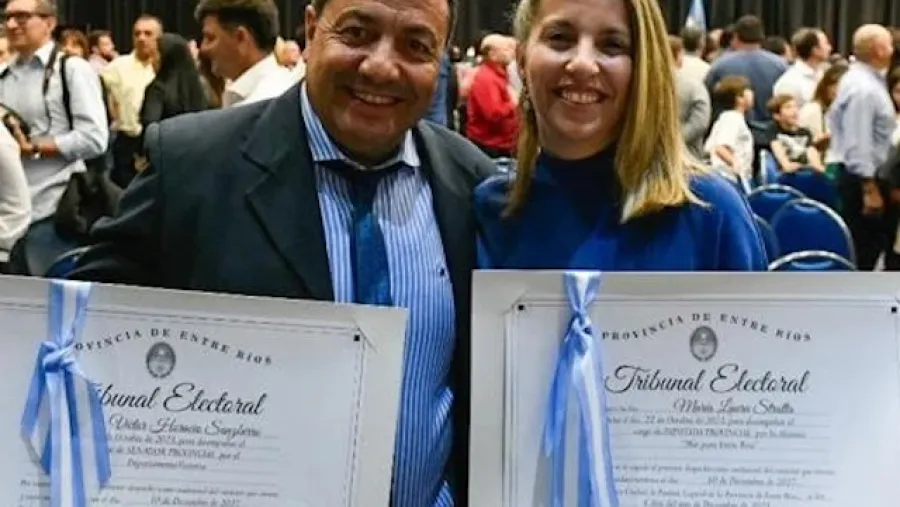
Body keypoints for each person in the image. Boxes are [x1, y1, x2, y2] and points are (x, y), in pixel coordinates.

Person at [72, 1, 494, 507]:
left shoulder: (470, 184)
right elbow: (80, 340)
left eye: (416, 46)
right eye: (357, 33)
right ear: (312, 30)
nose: (382, 66)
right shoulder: (191, 169)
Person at [474, 0, 766, 271]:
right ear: (522, 60)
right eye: (560, 38)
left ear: (644, 67)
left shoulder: (712, 213)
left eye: (612, 45)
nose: (582, 63)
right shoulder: (489, 212)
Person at [829, 24, 898, 270]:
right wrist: (869, 188)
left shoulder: (861, 80)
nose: (894, 49)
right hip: (864, 183)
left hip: (865, 179)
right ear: (879, 50)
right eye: (889, 44)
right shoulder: (865, 89)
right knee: (865, 252)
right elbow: (858, 141)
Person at [195, 0, 297, 108]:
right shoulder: (279, 91)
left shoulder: (262, 103)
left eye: (210, 38)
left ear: (240, 38)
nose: (203, 48)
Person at [139, 33, 209, 128]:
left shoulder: (157, 90)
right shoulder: (202, 88)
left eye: (154, 55)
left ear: (167, 58)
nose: (152, 61)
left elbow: (150, 126)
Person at [705, 76, 754, 191]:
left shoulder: (729, 117)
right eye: (748, 90)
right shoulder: (732, 119)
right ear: (739, 98)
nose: (752, 94)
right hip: (729, 179)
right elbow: (721, 148)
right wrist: (736, 165)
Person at [767, 94, 824, 174]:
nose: (794, 111)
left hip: (805, 171)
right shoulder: (773, 130)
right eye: (788, 107)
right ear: (777, 116)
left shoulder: (805, 132)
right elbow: (777, 148)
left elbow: (811, 151)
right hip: (784, 174)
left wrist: (817, 166)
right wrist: (786, 165)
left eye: (796, 106)